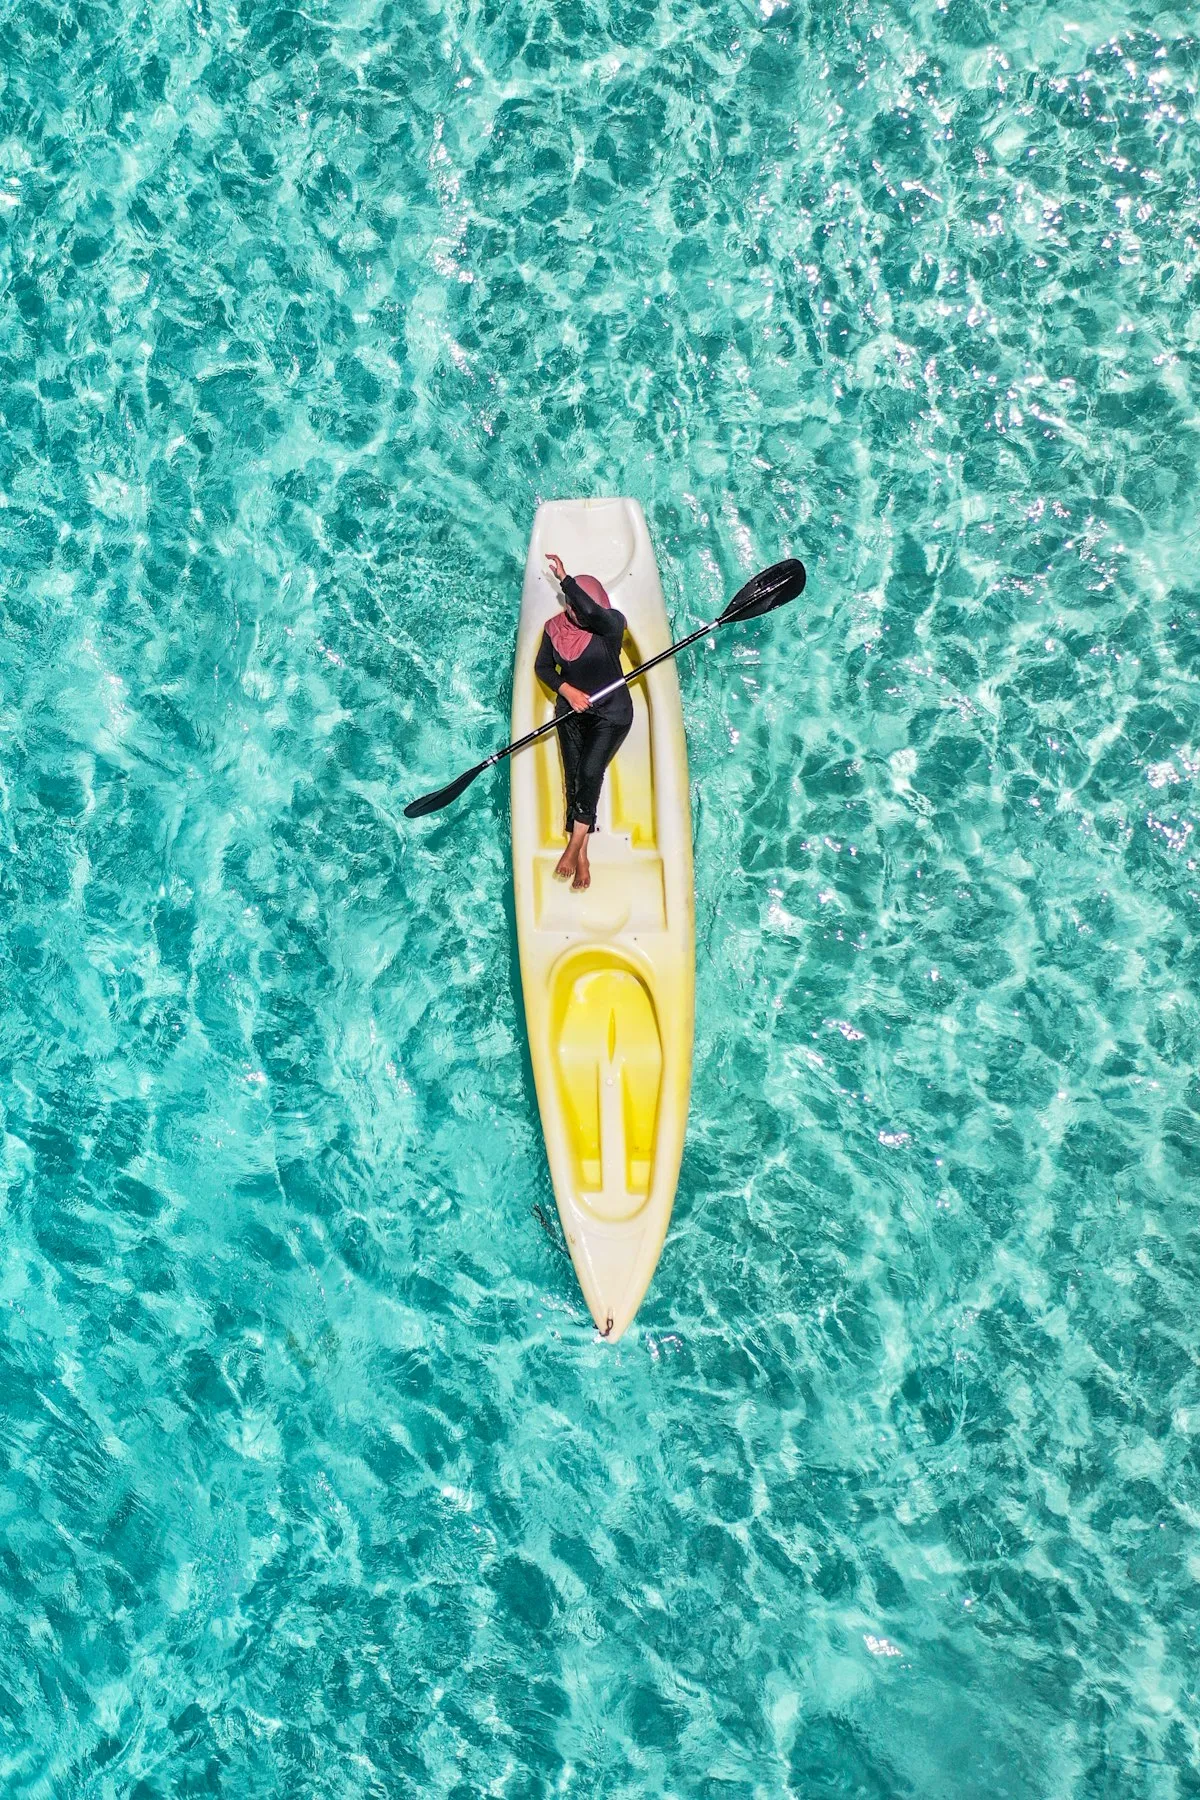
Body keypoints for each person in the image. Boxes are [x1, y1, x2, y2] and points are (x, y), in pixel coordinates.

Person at [535, 554, 634, 891]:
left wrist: (565, 579)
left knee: (590, 772)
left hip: (612, 715)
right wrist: (568, 691)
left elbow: (590, 612)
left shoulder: (610, 625)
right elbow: (543, 669)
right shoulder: (554, 629)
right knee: (574, 778)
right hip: (572, 712)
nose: (574, 613)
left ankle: (574, 846)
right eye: (570, 606)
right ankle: (583, 858)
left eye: (578, 606)